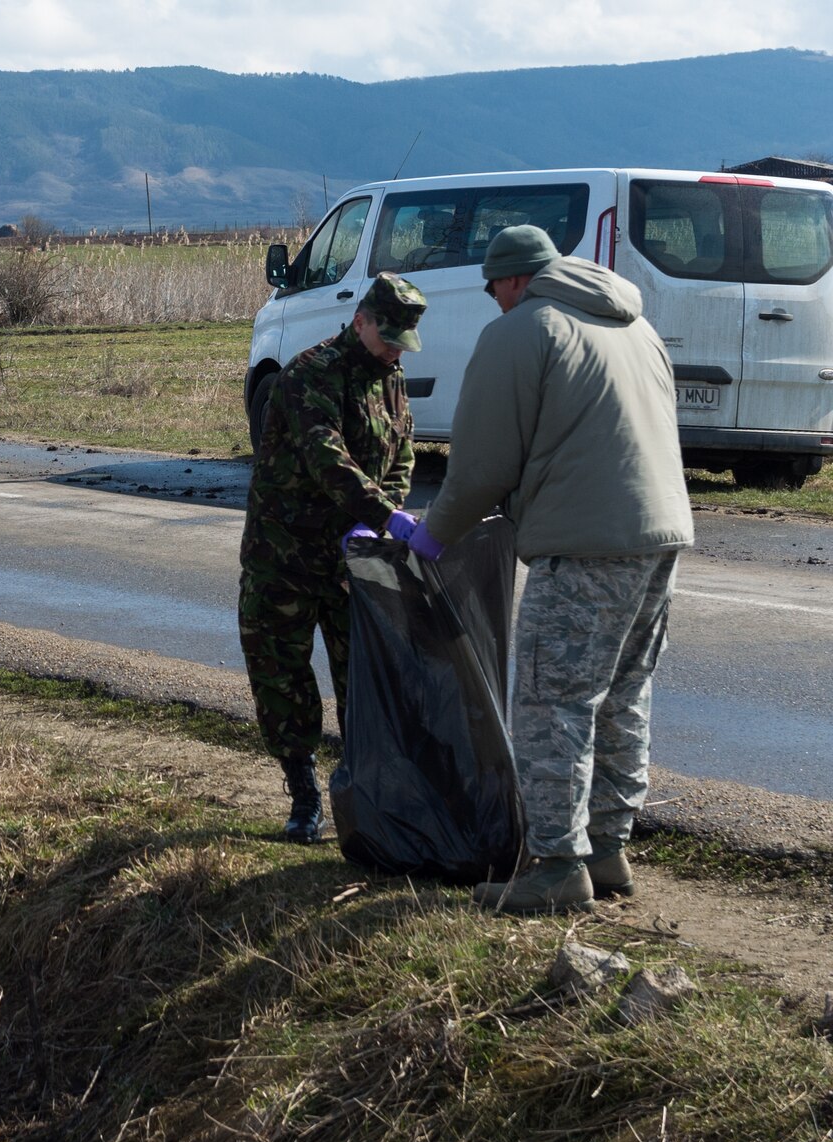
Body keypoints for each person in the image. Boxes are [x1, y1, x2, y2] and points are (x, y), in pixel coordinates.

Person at [411, 225, 693, 913]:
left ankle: (557, 866)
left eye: (493, 290)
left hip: (584, 546)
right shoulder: (634, 326)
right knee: (622, 694)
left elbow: (479, 469)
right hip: (660, 539)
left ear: (509, 281)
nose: (495, 303)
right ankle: (608, 849)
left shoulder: (522, 331)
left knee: (550, 700)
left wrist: (428, 542)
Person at [240, 272, 428, 843]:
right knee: (283, 679)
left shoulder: (390, 378)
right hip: (286, 557)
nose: (394, 350)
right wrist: (384, 517)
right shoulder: (309, 375)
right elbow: (328, 459)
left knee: (362, 682)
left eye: (403, 341)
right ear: (360, 321)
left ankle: (361, 793)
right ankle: (303, 796)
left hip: (351, 562)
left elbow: (404, 452)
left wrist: (388, 507)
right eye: (387, 336)